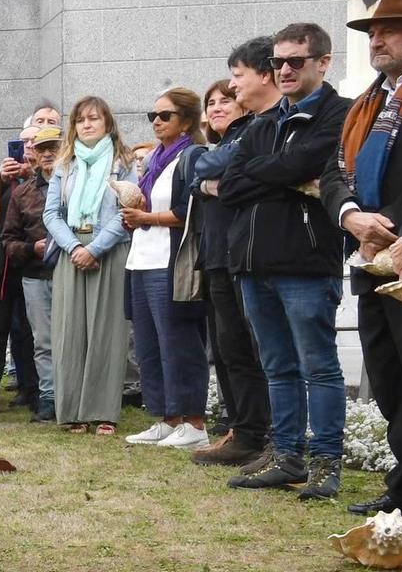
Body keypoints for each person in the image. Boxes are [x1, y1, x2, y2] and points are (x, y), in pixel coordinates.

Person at [220, 22, 351, 499]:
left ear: (323, 62)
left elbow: (307, 164)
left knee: (318, 365)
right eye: (279, 62)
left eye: (296, 60)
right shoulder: (264, 122)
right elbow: (231, 187)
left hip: (304, 260)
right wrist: (282, 175)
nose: (286, 69)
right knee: (277, 366)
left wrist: (275, 171)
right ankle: (287, 455)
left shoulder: (339, 114)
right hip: (254, 263)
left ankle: (325, 463)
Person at [322, 0, 402, 524]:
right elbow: (337, 173)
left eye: (390, 30)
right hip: (372, 257)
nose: (376, 40)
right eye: (370, 33)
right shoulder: (368, 101)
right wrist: (352, 217)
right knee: (389, 379)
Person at [187, 46, 275, 469]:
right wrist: (208, 182)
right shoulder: (212, 148)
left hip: (245, 253)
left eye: (227, 94)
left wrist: (213, 177)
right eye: (212, 102)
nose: (220, 104)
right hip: (216, 256)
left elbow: (224, 169)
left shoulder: (253, 131)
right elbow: (197, 171)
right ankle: (240, 427)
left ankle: (259, 431)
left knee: (249, 348)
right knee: (226, 349)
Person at [122, 90, 210, 449]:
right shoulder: (155, 159)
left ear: (187, 121)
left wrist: (146, 217)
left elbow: (188, 211)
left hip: (170, 262)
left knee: (179, 342)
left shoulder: (192, 156)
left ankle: (194, 421)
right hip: (141, 260)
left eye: (166, 115)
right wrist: (133, 217)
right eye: (152, 115)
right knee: (148, 345)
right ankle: (166, 417)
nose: (156, 121)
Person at [44, 96, 134, 435]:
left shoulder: (124, 161)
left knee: (107, 330)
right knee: (69, 330)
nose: (86, 125)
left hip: (107, 250)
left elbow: (128, 209)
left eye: (94, 118)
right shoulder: (65, 164)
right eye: (80, 120)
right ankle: (73, 412)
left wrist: (94, 248)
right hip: (70, 250)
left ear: (107, 123)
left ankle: (104, 412)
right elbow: (51, 213)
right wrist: (72, 246)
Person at [0, 124, 65, 420]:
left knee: (75, 337)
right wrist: (31, 248)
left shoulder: (75, 185)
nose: (48, 153)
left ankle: (74, 397)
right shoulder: (22, 193)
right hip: (36, 276)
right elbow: (8, 241)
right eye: (41, 148)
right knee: (43, 341)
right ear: (33, 154)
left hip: (72, 269)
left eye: (54, 147)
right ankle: (49, 397)